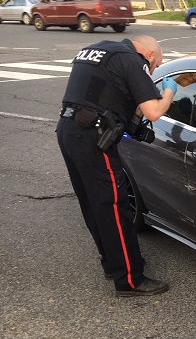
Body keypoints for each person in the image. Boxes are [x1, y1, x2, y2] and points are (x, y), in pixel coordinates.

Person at [56, 35, 177, 297]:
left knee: (93, 203)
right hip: (93, 138)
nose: (153, 71)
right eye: (155, 66)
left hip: (68, 130)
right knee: (113, 206)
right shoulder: (132, 60)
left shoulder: (96, 49)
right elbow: (154, 112)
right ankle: (130, 280)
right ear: (149, 56)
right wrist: (168, 92)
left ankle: (112, 264)